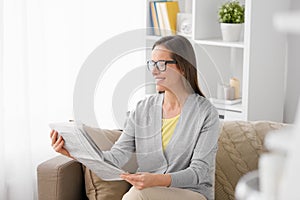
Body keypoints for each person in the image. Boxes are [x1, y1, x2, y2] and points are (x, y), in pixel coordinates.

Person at [50, 35, 220, 200]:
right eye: (152, 64)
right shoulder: (142, 109)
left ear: (182, 67)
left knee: (137, 195)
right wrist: (75, 153)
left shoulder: (206, 113)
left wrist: (156, 180)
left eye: (160, 64)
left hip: (191, 194)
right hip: (148, 193)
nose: (154, 70)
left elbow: (199, 172)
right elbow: (116, 157)